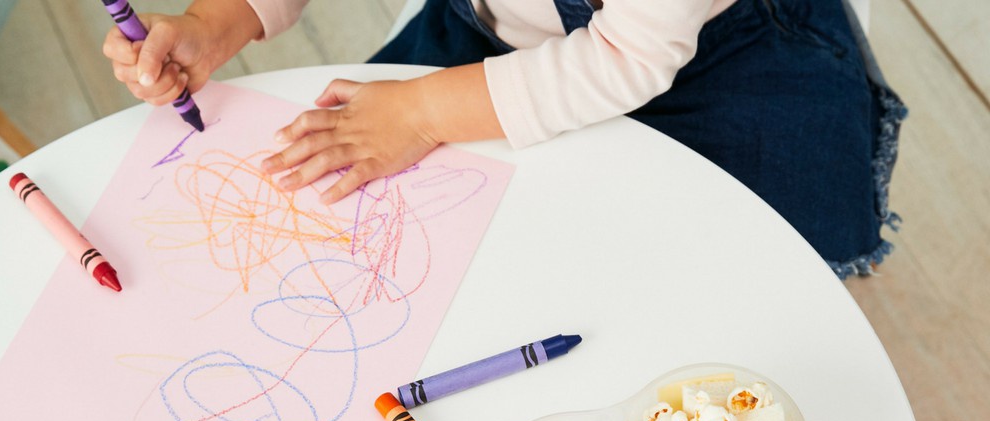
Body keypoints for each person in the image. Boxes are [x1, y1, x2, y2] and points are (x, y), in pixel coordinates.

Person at [103, 0, 906, 278]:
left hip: (711, 66)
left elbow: (631, 54)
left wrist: (420, 114)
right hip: (493, 36)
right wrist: (217, 23)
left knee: (709, 263)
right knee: (376, 223)